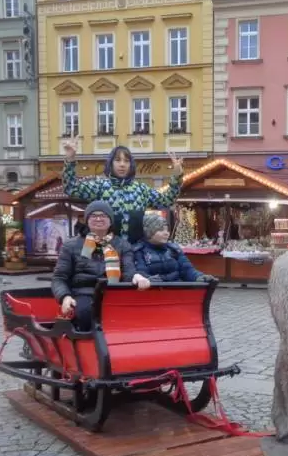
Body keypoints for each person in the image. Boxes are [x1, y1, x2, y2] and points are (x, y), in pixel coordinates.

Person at [61, 137, 184, 243]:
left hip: (135, 251)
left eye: (126, 161)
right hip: (104, 250)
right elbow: (71, 188)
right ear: (111, 163)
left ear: (131, 165)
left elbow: (167, 200)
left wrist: (177, 176)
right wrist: (70, 159)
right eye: (118, 160)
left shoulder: (141, 190)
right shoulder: (100, 186)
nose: (122, 164)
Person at [51, 201, 151, 331]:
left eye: (103, 215)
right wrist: (65, 296)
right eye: (94, 215)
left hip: (113, 294)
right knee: (86, 313)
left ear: (110, 221)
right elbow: (59, 277)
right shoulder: (70, 246)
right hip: (83, 294)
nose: (98, 219)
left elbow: (128, 271)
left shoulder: (122, 245)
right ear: (87, 220)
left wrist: (136, 276)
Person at [133, 214, 215, 282]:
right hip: (153, 291)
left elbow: (187, 269)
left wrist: (199, 277)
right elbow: (141, 272)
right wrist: (149, 280)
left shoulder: (174, 249)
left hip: (177, 290)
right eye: (161, 230)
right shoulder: (139, 251)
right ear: (149, 232)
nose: (166, 233)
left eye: (167, 230)